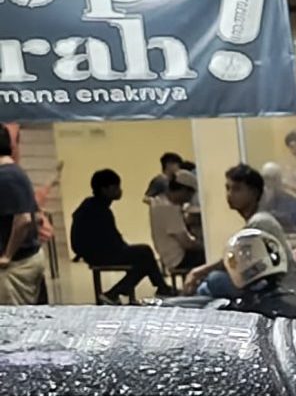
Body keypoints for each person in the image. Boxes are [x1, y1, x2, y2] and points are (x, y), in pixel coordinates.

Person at [183, 164, 296, 315]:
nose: (230, 194)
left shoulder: (260, 222)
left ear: (254, 192)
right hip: (272, 293)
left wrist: (198, 272)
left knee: (214, 281)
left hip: (279, 297)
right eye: (228, 188)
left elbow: (232, 263)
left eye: (237, 189)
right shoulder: (257, 220)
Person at [69, 169, 175, 300]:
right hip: (99, 254)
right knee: (145, 253)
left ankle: (117, 292)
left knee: (143, 260)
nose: (119, 190)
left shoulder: (90, 205)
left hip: (94, 253)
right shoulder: (100, 211)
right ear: (105, 189)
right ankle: (120, 292)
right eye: (116, 187)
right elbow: (112, 240)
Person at [0, 127, 48, 305]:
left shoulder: (5, 177)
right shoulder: (16, 172)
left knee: (13, 322)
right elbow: (36, 217)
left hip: (15, 266)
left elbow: (24, 219)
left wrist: (7, 255)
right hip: (28, 258)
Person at [147, 168, 205, 276]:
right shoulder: (169, 209)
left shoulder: (158, 201)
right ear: (183, 191)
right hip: (178, 259)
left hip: (167, 256)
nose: (188, 200)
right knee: (213, 256)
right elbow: (187, 243)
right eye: (189, 195)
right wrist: (205, 245)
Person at [259, 161, 296, 235]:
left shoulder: (290, 201)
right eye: (265, 178)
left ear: (278, 180)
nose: (268, 182)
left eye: (272, 178)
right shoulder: (259, 200)